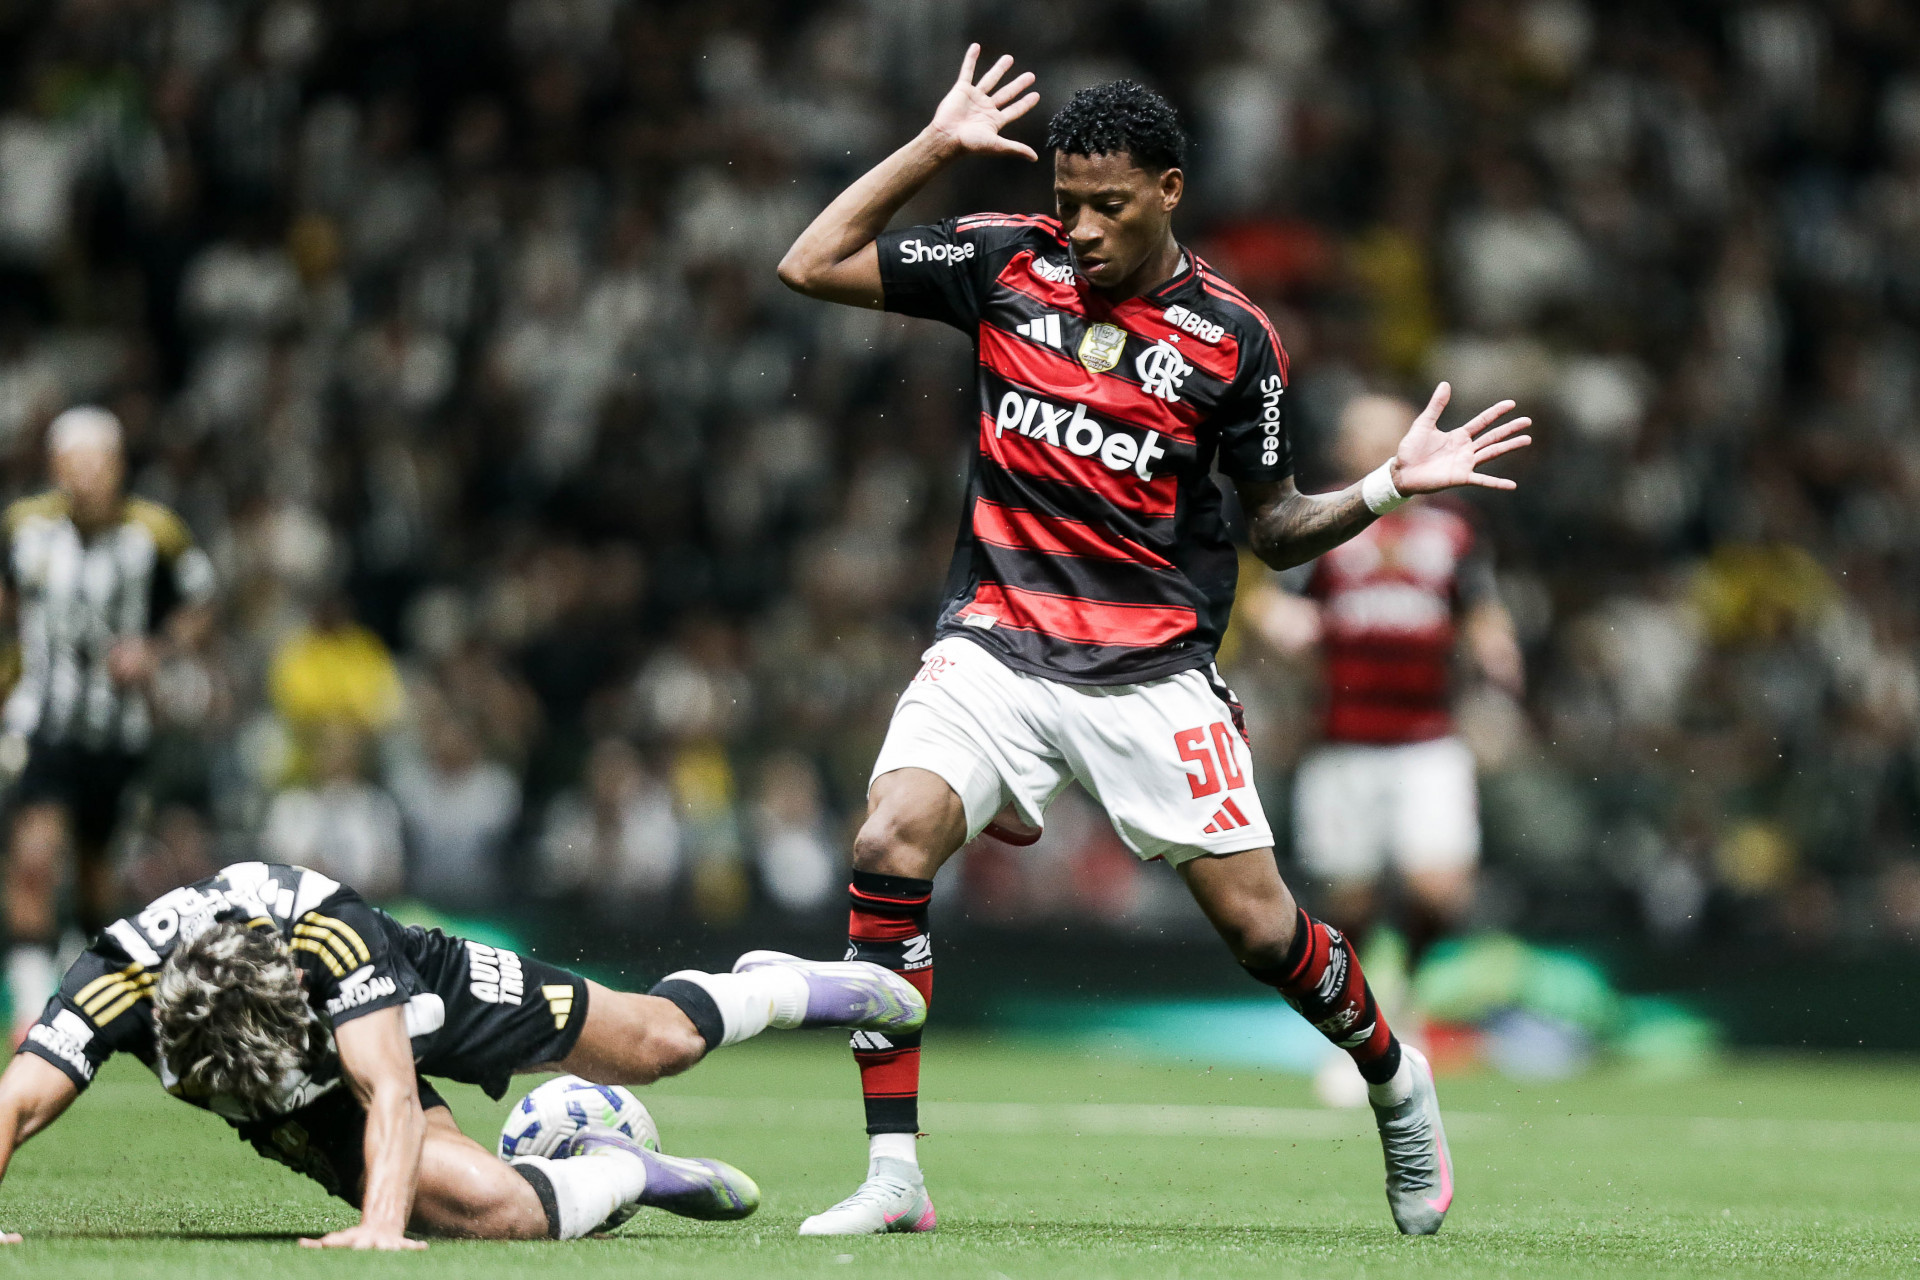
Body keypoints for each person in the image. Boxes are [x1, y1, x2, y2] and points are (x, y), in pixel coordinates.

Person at [778, 47, 1533, 1236]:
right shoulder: (1000, 259)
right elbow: (808, 261)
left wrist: (1389, 484)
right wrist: (932, 147)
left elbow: (1277, 531)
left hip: (1151, 673)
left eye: (1107, 205)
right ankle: (895, 1173)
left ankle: (1397, 1077)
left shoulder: (1236, 342)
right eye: (1067, 200)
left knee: (1261, 928)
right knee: (888, 836)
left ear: (1170, 191)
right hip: (996, 643)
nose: (1076, 226)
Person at [0, 860, 927, 1248]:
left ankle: (777, 985)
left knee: (654, 1045)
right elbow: (18, 1100)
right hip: (314, 1102)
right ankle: (624, 1172)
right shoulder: (115, 980)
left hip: (417, 991)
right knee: (492, 1214)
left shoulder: (327, 939)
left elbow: (391, 1091)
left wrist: (380, 1225)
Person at [1247, 392, 1524, 1106]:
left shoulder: (1454, 528)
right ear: (1343, 445)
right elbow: (1265, 590)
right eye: (1358, 429)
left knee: (1441, 889)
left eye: (1383, 428)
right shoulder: (1324, 521)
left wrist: (1496, 652)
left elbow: (1480, 605)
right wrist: (1277, 618)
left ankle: (1406, 1002)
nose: (1371, 439)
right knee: (1353, 900)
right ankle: (1366, 1031)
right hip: (1341, 742)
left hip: (1429, 737)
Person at [1, 406, 216, 1044]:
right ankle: (33, 1007)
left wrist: (154, 650)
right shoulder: (24, 527)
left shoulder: (156, 533)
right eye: (76, 462)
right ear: (56, 467)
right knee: (34, 858)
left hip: (119, 734)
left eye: (100, 461)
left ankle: (88, 998)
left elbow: (200, 600)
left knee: (98, 873)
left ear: (120, 467)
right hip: (40, 722)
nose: (88, 476)